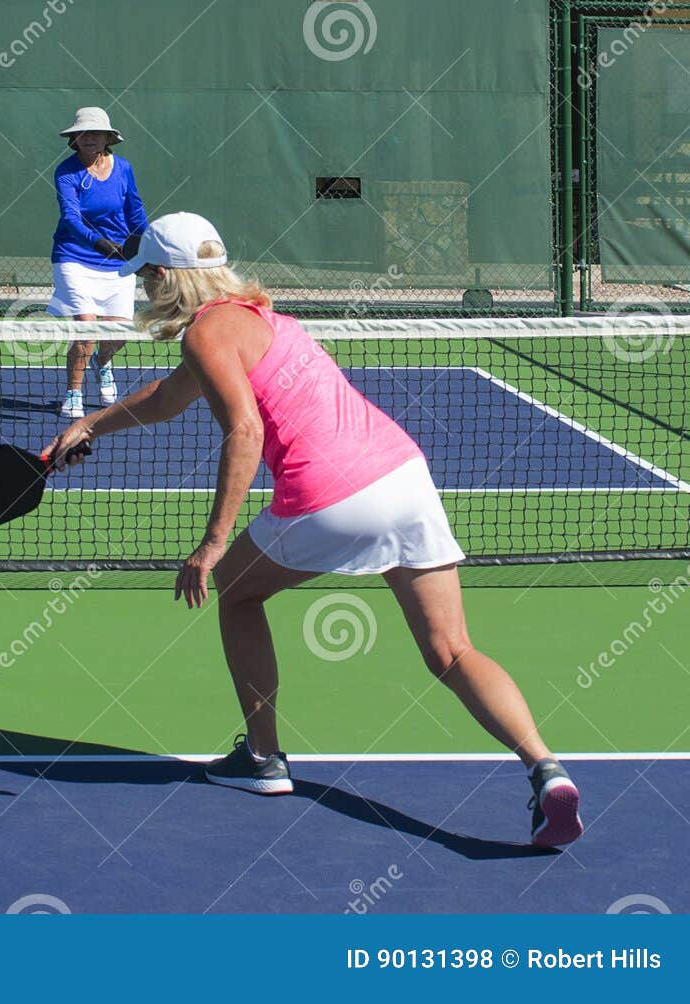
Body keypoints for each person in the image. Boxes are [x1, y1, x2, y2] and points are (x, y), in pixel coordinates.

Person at [43, 213, 584, 848]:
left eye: (148, 278)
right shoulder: (260, 318)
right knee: (452, 650)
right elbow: (168, 398)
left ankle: (264, 759)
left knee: (239, 591)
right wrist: (90, 426)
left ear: (165, 276)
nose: (144, 290)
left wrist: (212, 544)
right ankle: (546, 770)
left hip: (332, 496)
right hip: (404, 476)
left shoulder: (206, 335)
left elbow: (244, 432)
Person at [49, 107, 147, 419]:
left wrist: (145, 244)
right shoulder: (66, 172)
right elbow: (71, 217)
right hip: (75, 256)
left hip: (117, 262)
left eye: (96, 133)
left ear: (107, 138)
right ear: (74, 139)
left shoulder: (124, 168)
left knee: (117, 335)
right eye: (83, 133)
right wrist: (101, 244)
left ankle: (102, 363)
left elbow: (135, 210)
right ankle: (73, 393)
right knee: (87, 328)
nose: (89, 137)